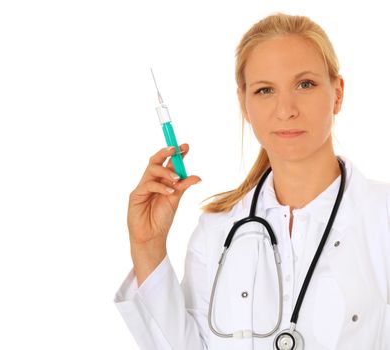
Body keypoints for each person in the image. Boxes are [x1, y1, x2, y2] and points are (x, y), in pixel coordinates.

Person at [114, 12, 390, 350]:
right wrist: (147, 247)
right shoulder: (215, 232)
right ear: (244, 103)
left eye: (305, 84)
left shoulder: (382, 217)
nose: (286, 109)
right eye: (264, 90)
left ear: (338, 93)